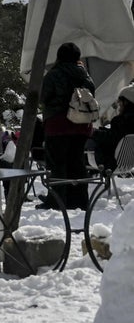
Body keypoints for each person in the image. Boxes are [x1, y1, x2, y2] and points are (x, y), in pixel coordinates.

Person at [38, 42, 95, 211]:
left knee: (57, 164)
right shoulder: (85, 75)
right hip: (81, 125)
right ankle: (79, 200)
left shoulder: (53, 74)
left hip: (58, 125)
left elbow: (44, 97)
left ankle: (57, 200)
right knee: (77, 162)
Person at [91, 85, 134, 170]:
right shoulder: (129, 121)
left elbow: (111, 138)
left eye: (120, 101)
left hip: (111, 162)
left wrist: (94, 132)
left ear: (126, 102)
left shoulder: (121, 120)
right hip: (129, 163)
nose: (118, 104)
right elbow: (118, 135)